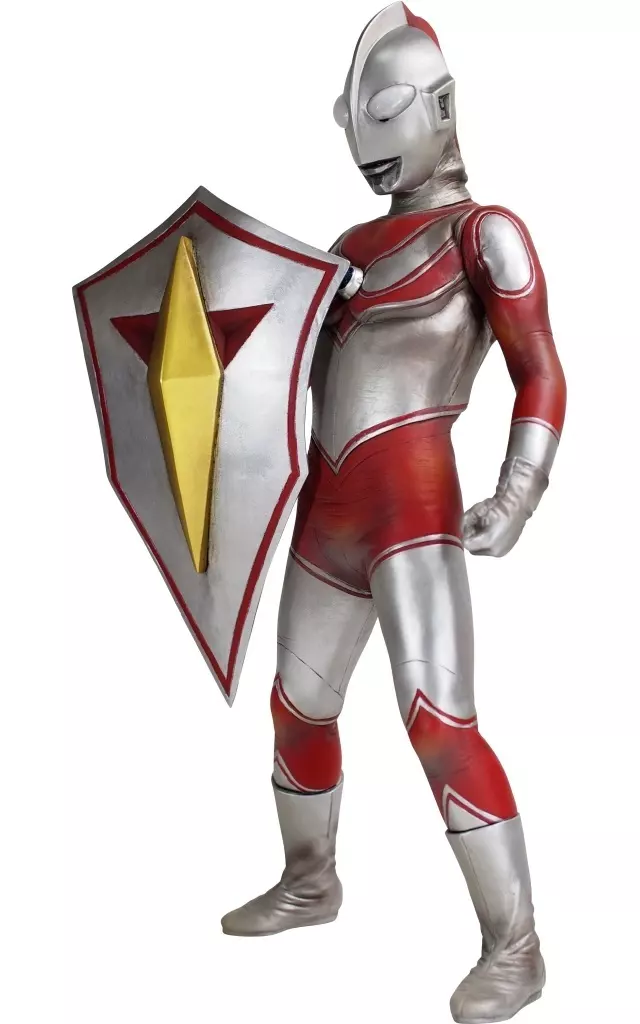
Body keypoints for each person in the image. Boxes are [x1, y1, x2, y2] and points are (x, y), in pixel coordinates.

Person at [222, 6, 566, 1022]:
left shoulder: (483, 233)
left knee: (438, 724)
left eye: (384, 113)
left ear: (439, 107)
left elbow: (541, 371)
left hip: (413, 512)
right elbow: (282, 378)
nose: (367, 145)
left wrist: (517, 493)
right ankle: (309, 880)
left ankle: (516, 946)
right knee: (298, 706)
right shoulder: (345, 247)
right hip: (325, 514)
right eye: (354, 122)